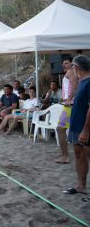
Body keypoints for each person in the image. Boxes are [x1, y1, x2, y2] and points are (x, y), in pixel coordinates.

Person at [62, 55, 90, 197]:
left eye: (72, 67)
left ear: (77, 68)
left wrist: (85, 130)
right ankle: (81, 186)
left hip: (85, 128)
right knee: (79, 155)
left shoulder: (89, 82)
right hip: (76, 125)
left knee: (87, 155)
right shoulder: (81, 82)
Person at [56, 57, 79, 164]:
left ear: (72, 63)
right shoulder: (71, 72)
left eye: (66, 63)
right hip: (70, 103)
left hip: (70, 104)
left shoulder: (70, 72)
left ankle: (65, 156)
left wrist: (69, 98)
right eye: (63, 63)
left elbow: (75, 84)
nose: (63, 65)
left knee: (60, 129)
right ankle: (64, 155)